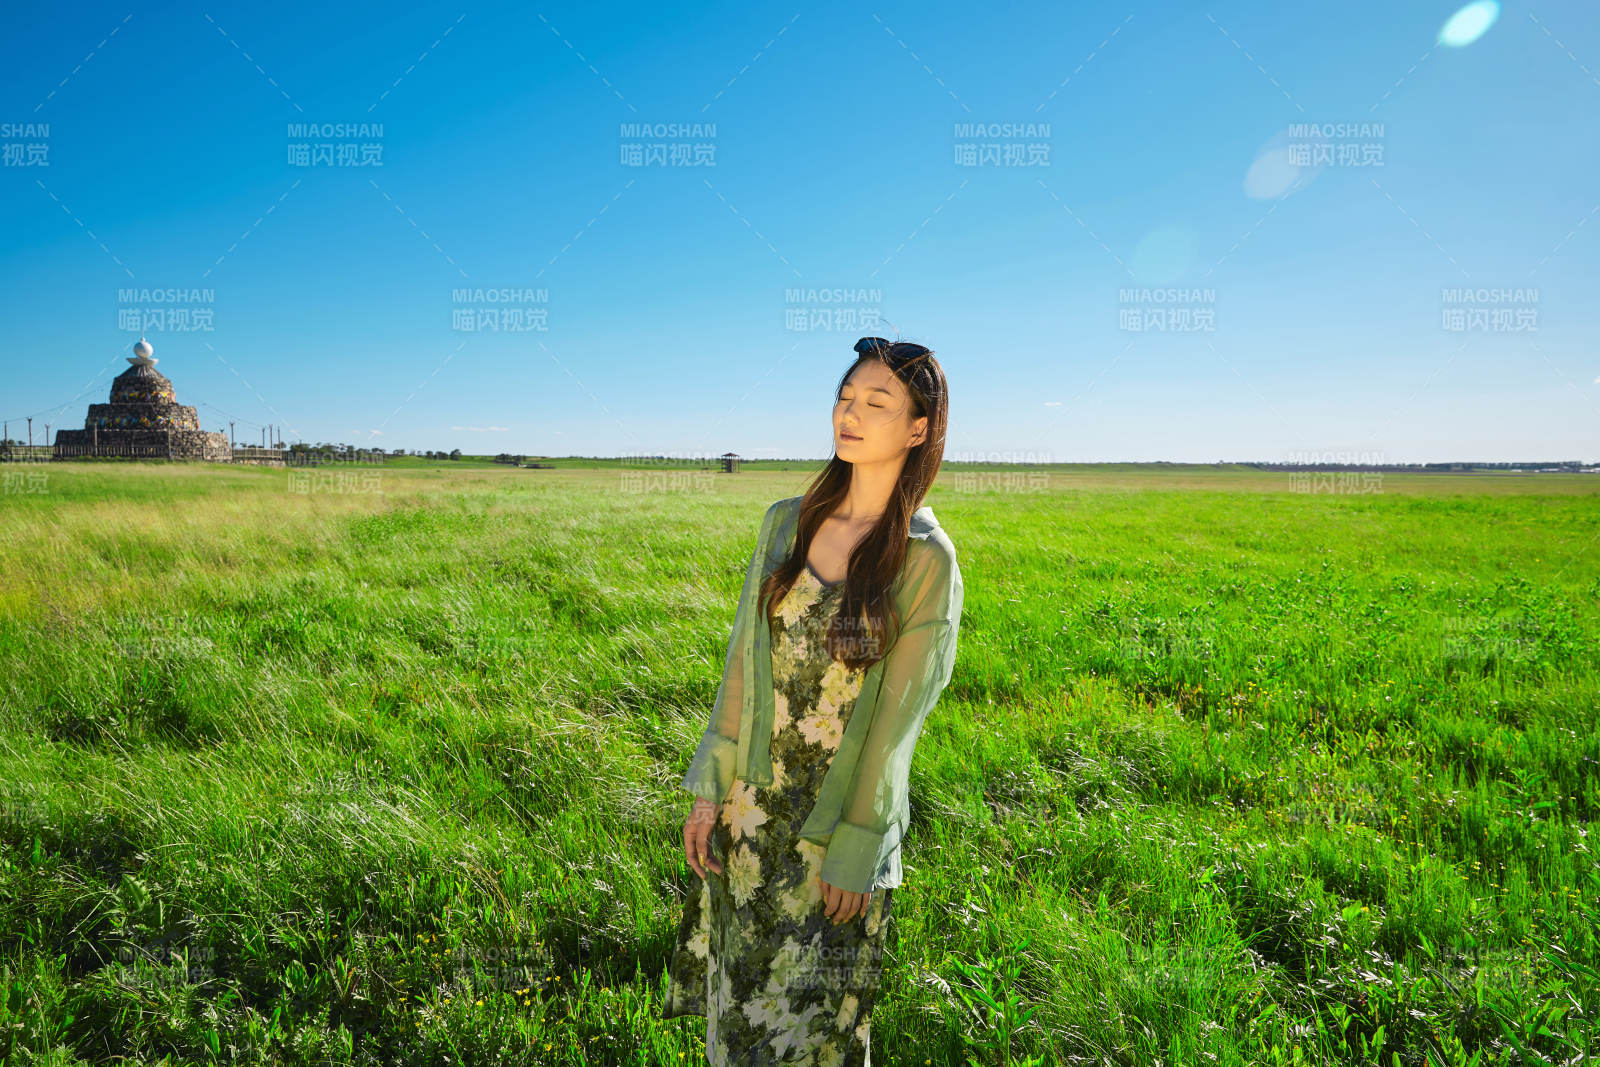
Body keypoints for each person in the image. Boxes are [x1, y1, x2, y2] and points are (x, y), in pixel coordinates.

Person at [662, 337, 964, 1066]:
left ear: (918, 428)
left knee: (815, 1033)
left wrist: (857, 847)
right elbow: (742, 665)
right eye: (845, 396)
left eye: (877, 402)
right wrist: (708, 792)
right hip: (749, 815)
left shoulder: (926, 558)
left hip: (831, 834)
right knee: (740, 1025)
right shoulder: (785, 522)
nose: (849, 413)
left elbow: (895, 726)